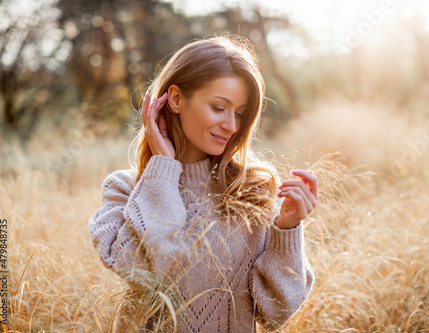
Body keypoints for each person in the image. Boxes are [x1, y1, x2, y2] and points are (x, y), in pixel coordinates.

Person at [88, 34, 317, 333]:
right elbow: (140, 271)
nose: (232, 126)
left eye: (239, 113)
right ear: (176, 99)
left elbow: (275, 313)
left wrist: (286, 230)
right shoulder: (125, 189)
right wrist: (162, 170)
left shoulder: (253, 192)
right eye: (219, 107)